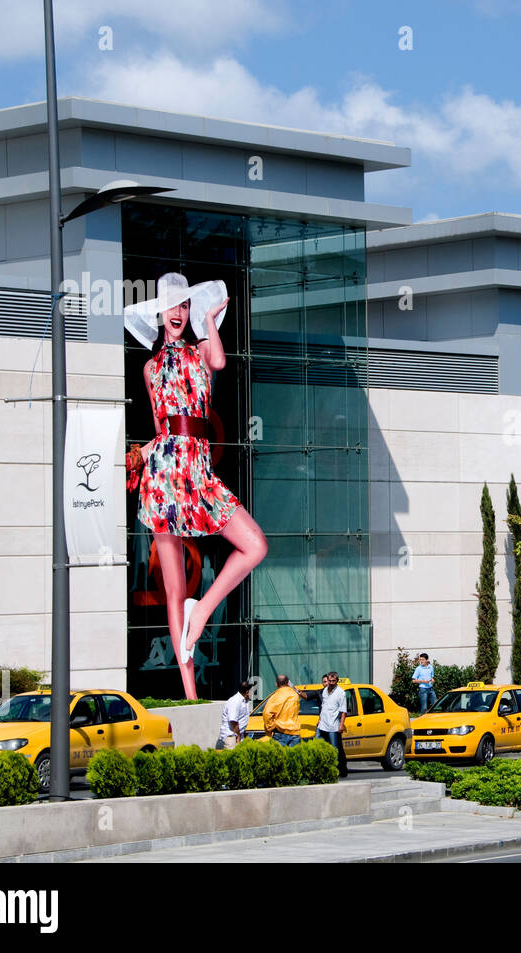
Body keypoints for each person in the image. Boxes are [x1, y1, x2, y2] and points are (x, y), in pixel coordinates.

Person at [128, 273, 268, 700]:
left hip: (200, 466)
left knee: (256, 545)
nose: (178, 311)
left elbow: (221, 363)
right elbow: (158, 423)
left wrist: (209, 316)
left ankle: (203, 609)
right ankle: (190, 694)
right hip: (166, 470)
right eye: (172, 304)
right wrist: (141, 456)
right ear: (158, 311)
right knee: (173, 588)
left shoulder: (203, 350)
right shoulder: (151, 367)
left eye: (184, 305)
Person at [315, 671, 348, 778]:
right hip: (322, 724)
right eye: (330, 681)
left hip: (333, 726)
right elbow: (324, 707)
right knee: (316, 745)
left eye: (333, 681)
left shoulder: (341, 693)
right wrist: (319, 719)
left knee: (335, 749)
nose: (331, 682)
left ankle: (335, 770)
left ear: (337, 681)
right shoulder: (325, 691)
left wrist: (341, 725)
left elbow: (343, 711)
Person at [262, 674, 301, 747]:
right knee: (294, 756)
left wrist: (271, 726)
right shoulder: (295, 695)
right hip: (295, 731)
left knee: (279, 757)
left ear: (276, 684)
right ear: (288, 683)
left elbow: (267, 713)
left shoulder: (275, 696)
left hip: (280, 732)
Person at [216, 680, 253, 749]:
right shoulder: (235, 702)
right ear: (247, 692)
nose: (253, 693)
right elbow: (233, 722)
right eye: (252, 691)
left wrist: (244, 734)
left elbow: (243, 719)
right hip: (231, 736)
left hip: (239, 735)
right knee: (232, 756)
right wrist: (238, 736)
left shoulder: (246, 701)